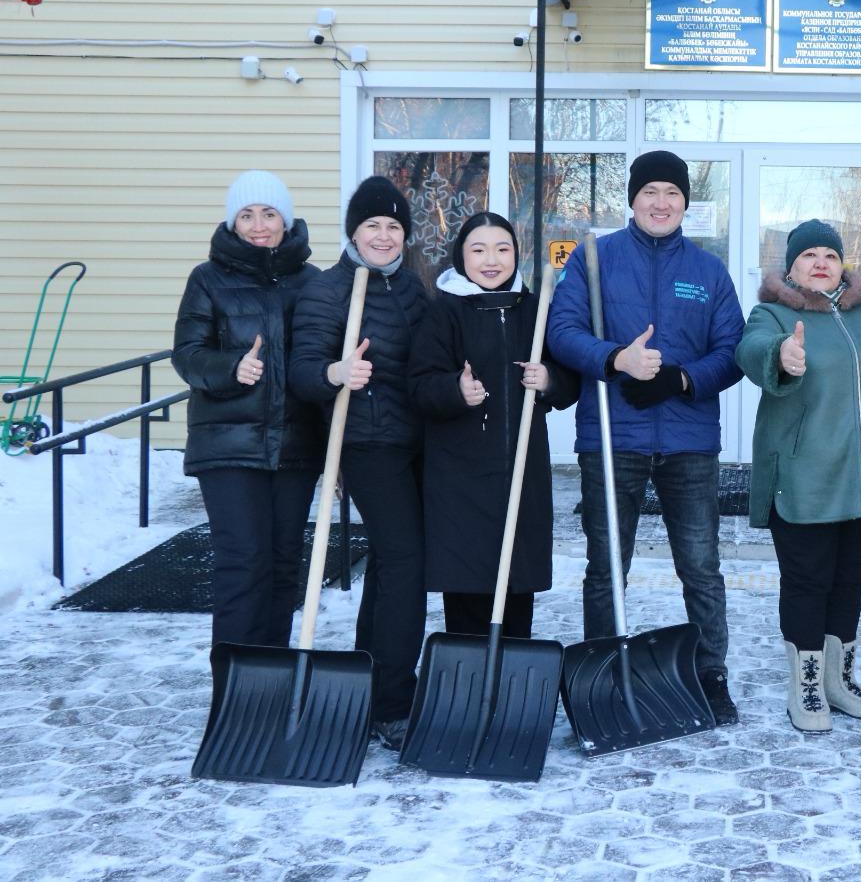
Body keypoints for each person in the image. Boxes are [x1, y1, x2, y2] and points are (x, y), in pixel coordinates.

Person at [547, 150, 745, 725]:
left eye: (673, 193)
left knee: (701, 566)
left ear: (686, 202)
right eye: (650, 191)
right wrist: (616, 361)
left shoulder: (708, 271)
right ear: (632, 199)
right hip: (614, 436)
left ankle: (711, 675)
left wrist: (683, 379)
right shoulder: (594, 258)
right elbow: (563, 331)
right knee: (607, 567)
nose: (661, 203)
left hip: (688, 440)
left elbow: (730, 351)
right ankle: (603, 675)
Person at [736, 220, 861, 733]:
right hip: (804, 479)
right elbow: (750, 350)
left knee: (850, 583)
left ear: (843, 265)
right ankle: (808, 687)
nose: (821, 262)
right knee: (807, 583)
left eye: (830, 255)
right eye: (809, 255)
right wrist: (781, 355)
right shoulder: (772, 313)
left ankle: (839, 680)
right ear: (791, 266)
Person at [289, 175, 428, 750]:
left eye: (394, 226)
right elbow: (302, 371)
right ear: (353, 230)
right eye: (372, 224)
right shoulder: (328, 290)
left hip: (417, 443)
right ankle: (393, 701)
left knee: (394, 570)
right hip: (367, 445)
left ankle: (374, 679)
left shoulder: (414, 289)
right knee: (406, 563)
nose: (383, 235)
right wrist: (335, 374)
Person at [407, 213, 580, 638]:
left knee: (517, 581)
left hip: (522, 474)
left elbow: (570, 380)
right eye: (478, 250)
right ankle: (466, 676)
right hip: (460, 476)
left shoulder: (535, 309)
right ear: (461, 256)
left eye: (502, 249)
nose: (491, 260)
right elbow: (418, 386)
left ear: (515, 256)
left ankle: (511, 678)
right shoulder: (443, 312)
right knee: (467, 586)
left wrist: (549, 381)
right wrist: (454, 390)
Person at [173, 170, 322, 649]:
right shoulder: (208, 278)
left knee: (282, 565)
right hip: (228, 445)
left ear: (286, 218)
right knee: (243, 563)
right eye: (247, 214)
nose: (259, 225)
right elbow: (187, 354)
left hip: (295, 447)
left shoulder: (313, 282)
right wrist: (229, 368)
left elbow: (321, 365)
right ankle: (234, 691)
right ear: (233, 222)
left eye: (269, 213)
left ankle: (269, 683)